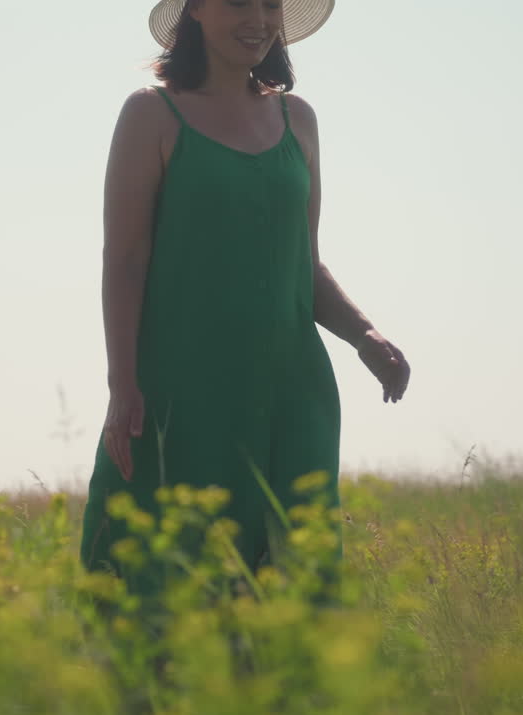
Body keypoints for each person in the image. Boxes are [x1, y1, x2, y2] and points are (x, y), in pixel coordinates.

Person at [80, 0, 410, 600]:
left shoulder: (299, 120)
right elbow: (124, 262)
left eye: (269, 4)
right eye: (237, 3)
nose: (257, 18)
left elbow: (304, 266)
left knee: (295, 588)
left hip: (292, 393)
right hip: (181, 393)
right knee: (166, 582)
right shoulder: (151, 114)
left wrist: (367, 336)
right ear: (197, 10)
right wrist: (122, 384)